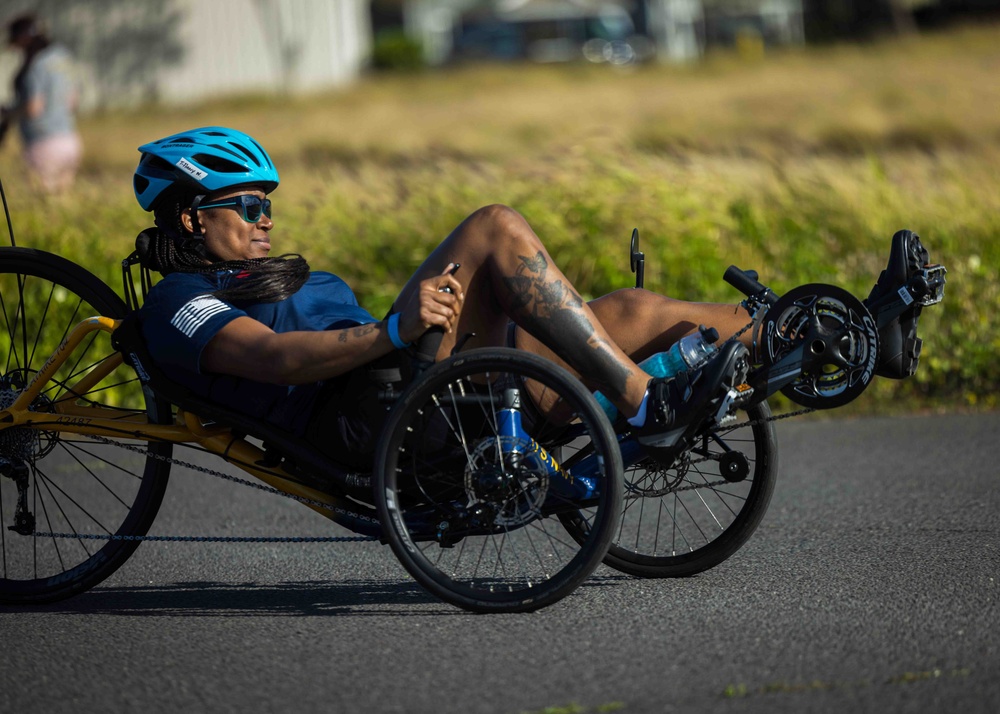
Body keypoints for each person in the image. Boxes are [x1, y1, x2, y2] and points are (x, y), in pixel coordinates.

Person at [131, 127, 917, 472]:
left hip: (408, 383)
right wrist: (391, 332)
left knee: (634, 311)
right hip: (364, 416)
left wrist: (399, 332)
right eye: (250, 206)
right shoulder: (179, 300)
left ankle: (841, 332)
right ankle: (645, 399)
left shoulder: (257, 275)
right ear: (195, 217)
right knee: (494, 228)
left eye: (271, 203)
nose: (268, 219)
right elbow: (269, 360)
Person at [1, 13, 82, 193]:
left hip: (43, 144)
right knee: (62, 204)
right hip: (70, 140)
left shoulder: (36, 66)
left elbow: (34, 107)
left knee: (42, 201)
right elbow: (73, 101)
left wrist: (8, 113)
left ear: (23, 39)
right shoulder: (63, 58)